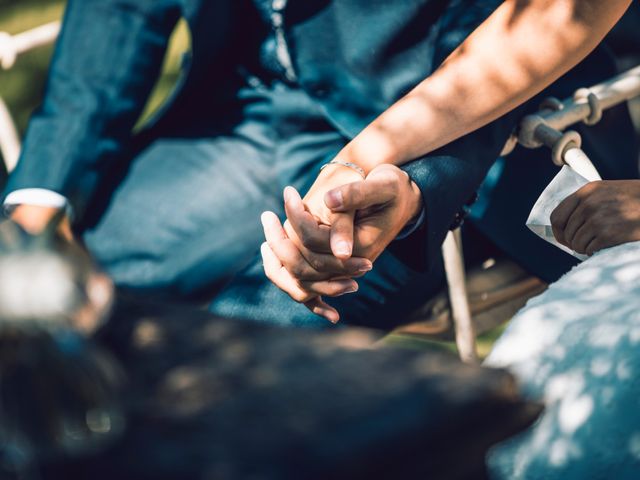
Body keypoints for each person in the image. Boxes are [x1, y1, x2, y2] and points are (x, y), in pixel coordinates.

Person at [4, 0, 636, 329]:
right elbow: (119, 16)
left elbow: (528, 31)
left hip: (458, 140)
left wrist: (405, 184)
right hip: (254, 106)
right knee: (29, 308)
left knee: (244, 358)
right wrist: (40, 202)